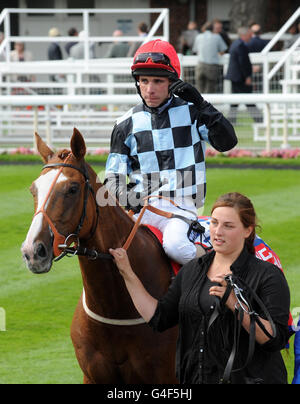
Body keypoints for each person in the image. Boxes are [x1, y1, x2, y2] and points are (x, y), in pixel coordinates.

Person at [109, 192, 291, 384]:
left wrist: (235, 305)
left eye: (228, 226)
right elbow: (158, 317)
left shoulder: (267, 275)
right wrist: (127, 273)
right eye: (214, 223)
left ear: (247, 231)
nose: (218, 231)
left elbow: (274, 339)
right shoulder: (192, 270)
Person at [104, 39, 237, 265]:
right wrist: (126, 196)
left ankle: (216, 265)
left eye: (158, 81)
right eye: (144, 81)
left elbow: (227, 142)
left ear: (172, 82)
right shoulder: (125, 124)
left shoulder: (193, 113)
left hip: (181, 204)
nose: (150, 89)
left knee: (176, 248)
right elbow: (112, 177)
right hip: (141, 205)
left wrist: (202, 104)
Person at [225, 27, 263, 124]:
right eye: (250, 35)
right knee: (248, 99)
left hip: (235, 76)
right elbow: (243, 63)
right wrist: (247, 76)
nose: (251, 36)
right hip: (240, 77)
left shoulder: (236, 44)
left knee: (235, 101)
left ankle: (231, 120)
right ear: (244, 35)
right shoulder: (241, 46)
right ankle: (259, 119)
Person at [192, 21, 228, 93]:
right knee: (210, 89)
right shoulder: (217, 37)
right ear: (213, 29)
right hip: (212, 66)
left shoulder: (199, 37)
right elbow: (223, 50)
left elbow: (195, 50)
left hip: (200, 65)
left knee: (199, 89)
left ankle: (199, 104)